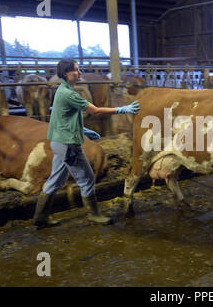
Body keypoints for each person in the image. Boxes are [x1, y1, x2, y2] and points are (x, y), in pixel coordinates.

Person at [33, 58, 140, 229]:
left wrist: (82, 130)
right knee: (88, 178)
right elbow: (96, 111)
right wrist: (122, 109)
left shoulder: (63, 90)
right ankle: (93, 214)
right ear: (67, 74)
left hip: (59, 142)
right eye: (76, 70)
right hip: (68, 145)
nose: (80, 72)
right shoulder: (69, 94)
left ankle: (40, 217)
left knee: (55, 180)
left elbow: (63, 118)